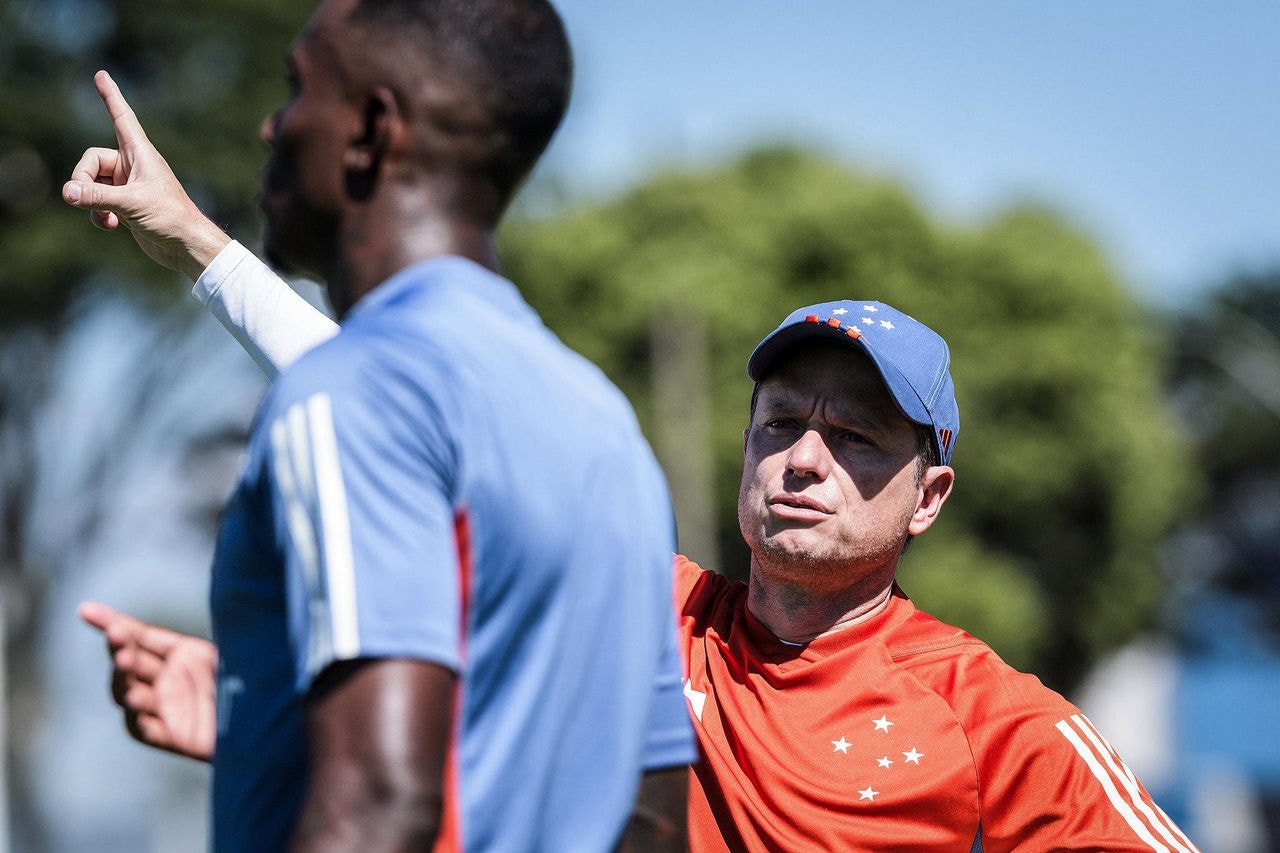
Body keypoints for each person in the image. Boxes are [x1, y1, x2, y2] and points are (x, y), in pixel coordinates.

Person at [67, 26, 1197, 853]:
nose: (802, 459)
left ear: (930, 495)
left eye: (854, 438)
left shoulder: (998, 722)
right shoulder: (643, 607)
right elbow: (395, 406)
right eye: (780, 426)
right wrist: (203, 248)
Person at [62, 0, 695, 849]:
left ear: (370, 131)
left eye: (295, 90)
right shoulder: (605, 426)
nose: (269, 125)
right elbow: (652, 817)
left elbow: (374, 808)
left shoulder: (346, 394)